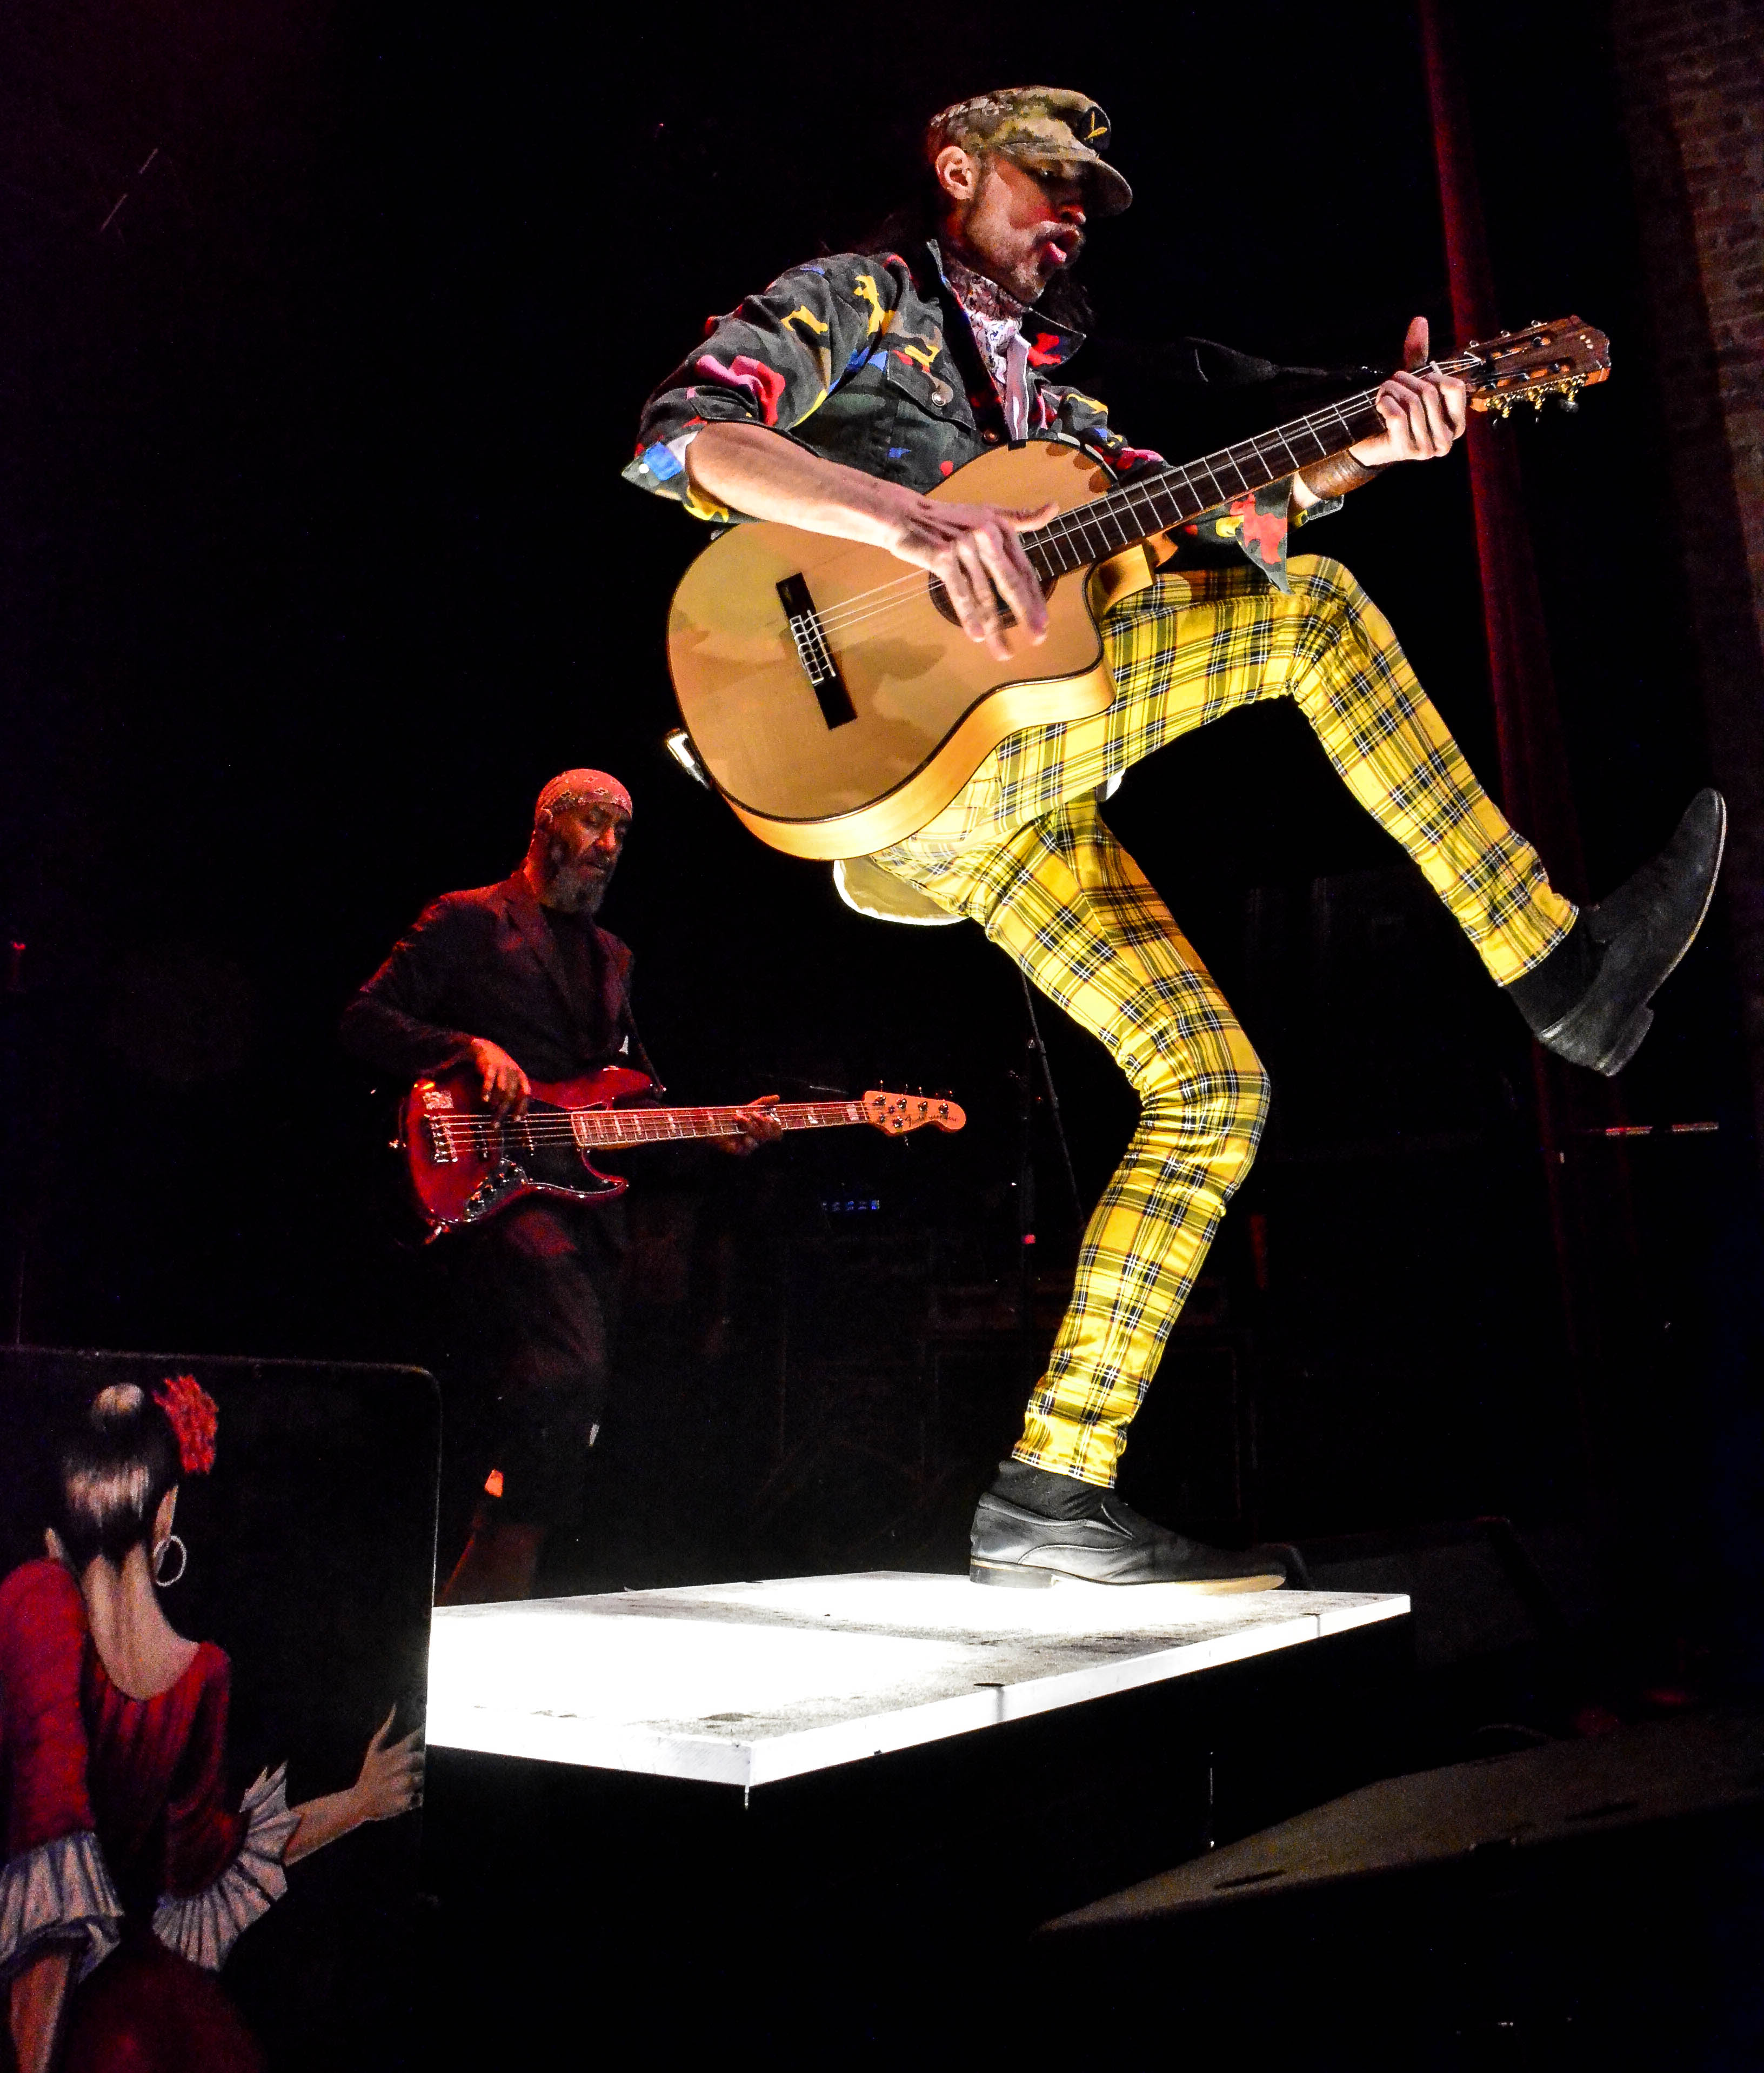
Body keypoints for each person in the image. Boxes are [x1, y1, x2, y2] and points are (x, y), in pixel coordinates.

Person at [624, 86, 1726, 1589]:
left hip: (1012, 801)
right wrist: (911, 523)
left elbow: (1236, 525)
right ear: (956, 172)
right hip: (883, 760)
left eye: (1088, 195)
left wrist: (1367, 455)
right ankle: (1558, 965)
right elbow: (689, 440)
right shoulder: (860, 306)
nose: (1070, 211)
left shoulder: (1068, 425)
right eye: (1043, 180)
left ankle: (1051, 1487)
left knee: (1213, 1087)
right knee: (1320, 631)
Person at [340, 768, 782, 1603]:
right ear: (545, 826)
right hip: (484, 1182)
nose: (609, 847)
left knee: (579, 1396)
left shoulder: (613, 958)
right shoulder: (468, 919)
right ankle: (492, 1557)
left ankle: (488, 1585)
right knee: (566, 1369)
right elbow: (363, 1020)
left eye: (622, 833)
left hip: (578, 1205)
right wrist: (467, 1049)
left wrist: (717, 1132)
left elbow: (631, 1106)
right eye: (593, 824)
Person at [0, 1376, 422, 2073]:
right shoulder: (199, 1674)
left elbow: (57, 1893)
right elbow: (203, 1867)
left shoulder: (39, 1601)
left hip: (58, 2024)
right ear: (166, 1512)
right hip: (138, 2005)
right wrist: (358, 1803)